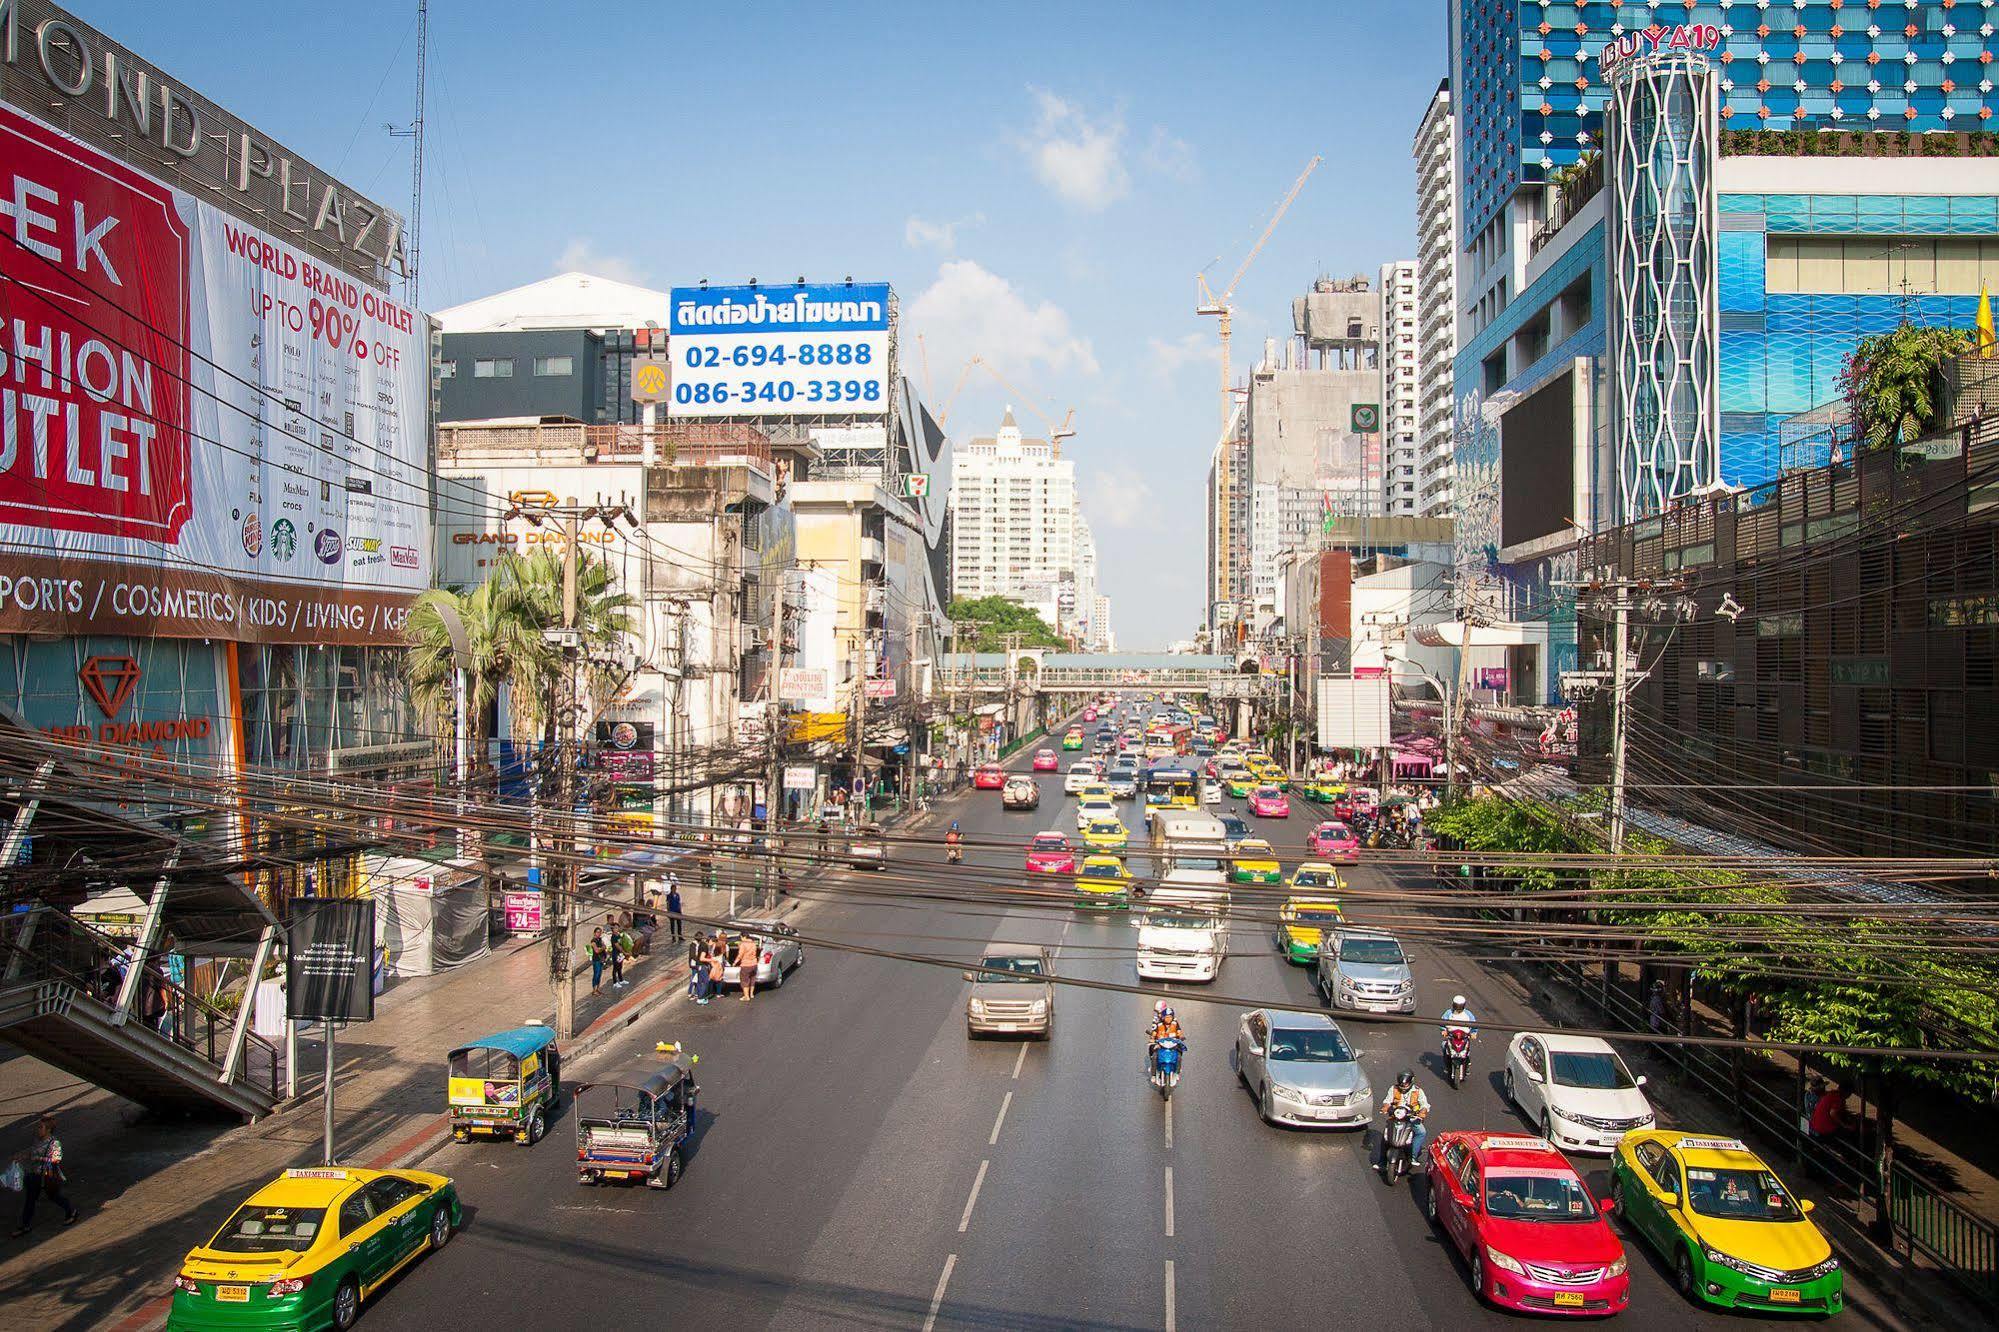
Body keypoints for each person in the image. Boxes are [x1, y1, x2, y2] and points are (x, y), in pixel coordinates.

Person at [13, 1114, 77, 1236]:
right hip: (34, 1175)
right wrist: (22, 1157)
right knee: (30, 1200)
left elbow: (56, 1159)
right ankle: (25, 1225)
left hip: (47, 1176)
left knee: (54, 1196)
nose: (38, 1129)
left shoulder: (54, 1143)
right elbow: (32, 1152)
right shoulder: (37, 1141)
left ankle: (71, 1211)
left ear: (48, 1129)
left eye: (40, 1127)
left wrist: (39, 1158)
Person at [1376, 1070, 1431, 1171]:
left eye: (1406, 1084)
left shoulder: (1418, 1091)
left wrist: (1422, 1112)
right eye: (1402, 1084)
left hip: (1412, 1118)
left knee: (1421, 1132)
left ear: (1411, 1082)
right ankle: (1382, 1162)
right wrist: (1385, 1107)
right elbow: (1387, 1101)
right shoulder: (1393, 1089)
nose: (1403, 1086)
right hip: (1395, 1117)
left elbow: (1424, 1105)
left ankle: (1413, 1156)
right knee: (1385, 1137)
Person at [734, 932, 759, 1002]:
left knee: (745, 981)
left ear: (743, 937)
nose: (741, 939)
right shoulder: (753, 943)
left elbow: (740, 955)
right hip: (754, 963)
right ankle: (751, 994)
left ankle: (746, 996)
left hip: (746, 964)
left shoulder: (743, 944)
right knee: (752, 979)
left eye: (741, 937)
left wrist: (735, 962)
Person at [588, 929, 607, 994]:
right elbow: (597, 951)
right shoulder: (593, 941)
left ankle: (597, 989)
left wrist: (601, 948)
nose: (599, 934)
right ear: (594, 933)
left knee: (599, 975)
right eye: (598, 932)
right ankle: (594, 989)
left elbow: (604, 946)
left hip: (601, 959)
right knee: (596, 974)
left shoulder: (600, 940)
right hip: (596, 960)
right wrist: (602, 948)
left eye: (600, 932)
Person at [608, 922, 627, 989]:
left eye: (617, 927)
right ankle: (615, 982)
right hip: (615, 953)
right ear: (612, 929)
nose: (617, 929)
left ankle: (621, 979)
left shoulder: (618, 935)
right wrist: (624, 952)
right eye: (615, 928)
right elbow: (618, 946)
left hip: (620, 954)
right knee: (615, 968)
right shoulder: (613, 937)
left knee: (620, 967)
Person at [666, 877, 684, 943]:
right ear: (671, 889)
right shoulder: (669, 895)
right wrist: (668, 911)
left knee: (679, 924)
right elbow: (668, 903)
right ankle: (673, 937)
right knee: (672, 925)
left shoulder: (677, 895)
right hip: (672, 911)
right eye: (673, 889)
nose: (674, 890)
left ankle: (680, 936)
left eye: (675, 889)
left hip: (677, 910)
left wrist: (680, 910)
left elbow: (679, 903)